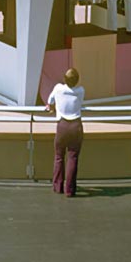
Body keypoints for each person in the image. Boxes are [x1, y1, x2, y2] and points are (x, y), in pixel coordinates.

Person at [45, 67, 84, 197]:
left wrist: (50, 107)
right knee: (73, 157)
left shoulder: (58, 88)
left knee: (59, 157)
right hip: (76, 126)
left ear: (64, 79)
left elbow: (50, 101)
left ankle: (58, 186)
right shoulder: (81, 91)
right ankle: (70, 189)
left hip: (62, 126)